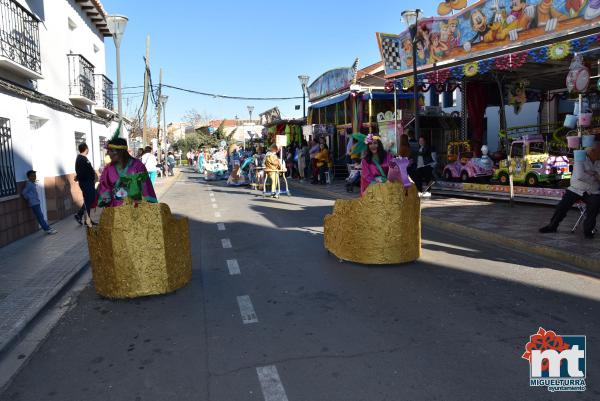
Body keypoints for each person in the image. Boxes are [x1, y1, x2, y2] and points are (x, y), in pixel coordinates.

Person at [539, 141, 600, 239]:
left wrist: (591, 174)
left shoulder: (598, 162)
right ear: (593, 151)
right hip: (576, 188)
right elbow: (580, 175)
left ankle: (588, 231)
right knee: (562, 206)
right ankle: (552, 226)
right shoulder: (580, 158)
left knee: (595, 205)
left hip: (593, 191)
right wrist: (595, 176)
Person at [97, 138, 157, 207]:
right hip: (115, 209)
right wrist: (106, 198)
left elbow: (146, 186)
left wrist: (149, 205)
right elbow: (104, 187)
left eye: (110, 151)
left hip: (135, 208)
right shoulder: (108, 168)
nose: (108, 154)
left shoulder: (138, 166)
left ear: (119, 152)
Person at [21, 170, 57, 235]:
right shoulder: (29, 184)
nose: (34, 177)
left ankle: (47, 228)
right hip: (33, 203)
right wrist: (29, 199)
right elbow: (24, 192)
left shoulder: (32, 183)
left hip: (36, 202)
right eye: (32, 176)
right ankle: (47, 229)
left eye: (35, 176)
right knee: (40, 216)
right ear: (28, 177)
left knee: (40, 216)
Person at [74, 143, 97, 225]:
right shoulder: (82, 159)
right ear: (86, 149)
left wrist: (78, 177)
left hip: (86, 182)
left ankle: (85, 219)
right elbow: (83, 172)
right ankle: (80, 215)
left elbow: (81, 171)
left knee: (88, 199)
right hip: (86, 183)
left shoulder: (80, 158)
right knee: (90, 199)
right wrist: (79, 177)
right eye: (88, 148)